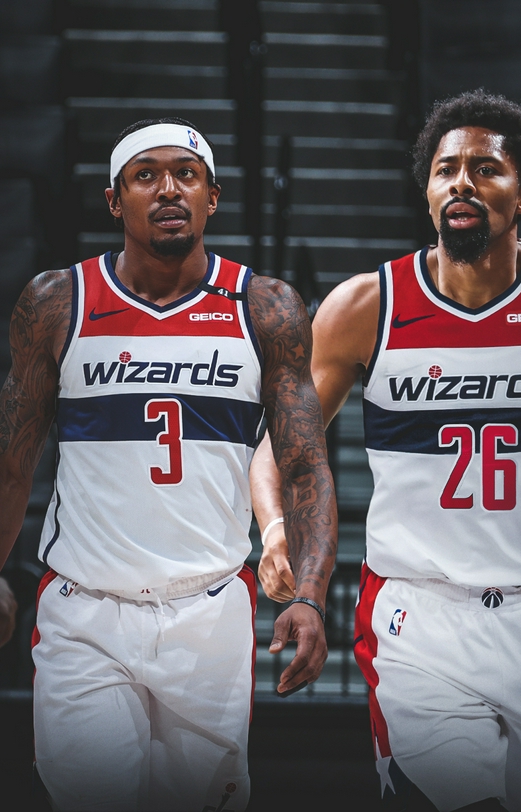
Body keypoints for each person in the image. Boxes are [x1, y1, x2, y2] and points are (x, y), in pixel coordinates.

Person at [249, 89, 521, 812]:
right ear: (428, 192)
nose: (461, 182)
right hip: (418, 621)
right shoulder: (367, 307)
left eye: (485, 169)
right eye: (446, 170)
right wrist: (276, 528)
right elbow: (278, 445)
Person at [0, 116, 337, 812]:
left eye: (186, 174)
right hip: (86, 613)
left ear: (213, 197)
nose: (168, 189)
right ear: (113, 199)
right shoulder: (58, 302)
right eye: (144, 175)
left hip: (208, 614)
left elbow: (305, 466)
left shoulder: (265, 307)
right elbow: (12, 459)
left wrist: (309, 592)